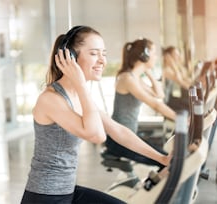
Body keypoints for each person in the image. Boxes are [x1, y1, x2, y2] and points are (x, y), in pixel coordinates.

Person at [21, 26, 171, 204]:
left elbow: (118, 131)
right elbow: (97, 135)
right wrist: (80, 83)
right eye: (94, 53)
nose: (102, 61)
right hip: (44, 197)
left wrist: (162, 158)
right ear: (71, 58)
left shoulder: (78, 96)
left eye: (104, 54)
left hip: (67, 191)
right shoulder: (51, 99)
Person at [105, 38, 176, 168]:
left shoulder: (135, 77)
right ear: (145, 56)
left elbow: (159, 94)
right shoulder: (127, 79)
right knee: (168, 162)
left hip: (129, 136)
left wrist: (148, 70)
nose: (155, 57)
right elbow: (156, 104)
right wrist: (183, 120)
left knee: (169, 158)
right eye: (153, 54)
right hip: (119, 140)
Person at [162, 46, 193, 111]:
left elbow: (185, 79)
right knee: (190, 105)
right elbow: (180, 82)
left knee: (190, 102)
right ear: (168, 57)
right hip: (167, 101)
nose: (178, 57)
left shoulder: (171, 69)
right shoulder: (167, 70)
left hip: (171, 98)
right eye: (176, 54)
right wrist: (172, 63)